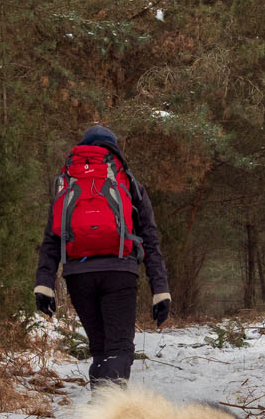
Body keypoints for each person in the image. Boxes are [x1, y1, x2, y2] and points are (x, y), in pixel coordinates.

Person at [34, 125, 171, 384]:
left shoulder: (68, 181)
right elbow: (150, 240)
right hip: (119, 272)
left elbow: (52, 238)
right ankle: (110, 410)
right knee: (118, 348)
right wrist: (160, 290)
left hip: (78, 275)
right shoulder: (127, 181)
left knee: (100, 349)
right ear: (114, 149)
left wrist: (44, 284)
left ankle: (101, 408)